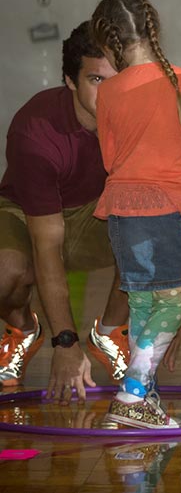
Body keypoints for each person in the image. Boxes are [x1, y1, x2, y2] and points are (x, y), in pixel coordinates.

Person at [90, 0, 181, 428]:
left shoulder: (107, 93)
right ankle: (134, 392)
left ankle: (143, 400)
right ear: (153, 31)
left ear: (108, 47)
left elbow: (110, 159)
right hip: (166, 209)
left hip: (123, 212)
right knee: (173, 303)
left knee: (144, 304)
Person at [0, 21, 130, 399]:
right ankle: (21, 329)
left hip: (94, 211)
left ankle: (110, 333)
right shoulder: (35, 132)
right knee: (7, 271)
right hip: (26, 214)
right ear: (70, 81)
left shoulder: (137, 120)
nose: (110, 94)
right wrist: (65, 342)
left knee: (148, 229)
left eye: (117, 79)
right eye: (96, 80)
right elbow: (47, 248)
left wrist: (176, 299)